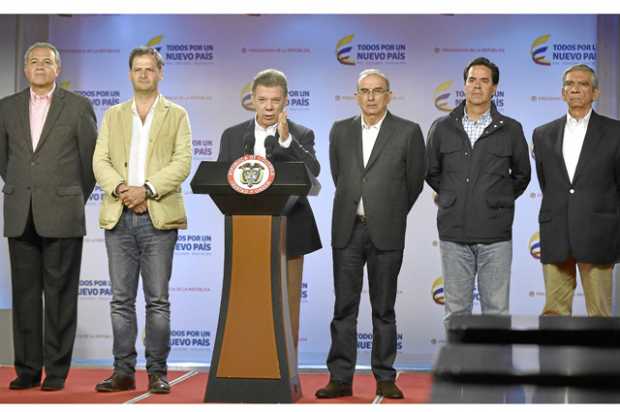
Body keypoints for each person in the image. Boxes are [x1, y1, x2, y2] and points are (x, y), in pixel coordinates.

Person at [316, 69, 425, 399]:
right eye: (365, 91)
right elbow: (339, 175)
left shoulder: (408, 131)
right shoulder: (340, 130)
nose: (371, 97)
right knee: (343, 309)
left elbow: (414, 182)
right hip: (347, 230)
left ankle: (385, 377)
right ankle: (340, 378)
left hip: (387, 230)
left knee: (384, 309)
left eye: (378, 90)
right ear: (356, 96)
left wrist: (388, 210)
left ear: (389, 95)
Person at [92, 46, 192, 394]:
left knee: (157, 300)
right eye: (138, 69)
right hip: (119, 216)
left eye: (150, 69)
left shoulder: (177, 114)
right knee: (121, 300)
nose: (144, 74)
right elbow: (100, 160)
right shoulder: (113, 115)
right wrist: (123, 189)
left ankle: (157, 372)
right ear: (130, 74)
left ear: (160, 73)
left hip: (157, 217)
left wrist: (146, 190)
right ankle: (122, 371)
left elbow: (182, 163)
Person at [0, 42, 98, 391]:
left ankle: (56, 371)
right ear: (25, 69)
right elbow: (4, 160)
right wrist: (26, 189)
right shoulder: (6, 107)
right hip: (20, 212)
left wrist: (67, 196)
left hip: (63, 212)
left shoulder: (78, 107)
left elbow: (90, 164)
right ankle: (27, 369)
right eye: (33, 61)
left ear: (58, 69)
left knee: (60, 296)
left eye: (47, 61)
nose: (40, 66)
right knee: (25, 295)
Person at [217, 68, 322, 351]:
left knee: (287, 305)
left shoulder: (301, 134)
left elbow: (312, 172)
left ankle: (286, 367)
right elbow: (221, 180)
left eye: (275, 100)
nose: (268, 107)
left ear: (286, 100)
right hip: (245, 232)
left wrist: (287, 141)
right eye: (262, 100)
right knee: (247, 305)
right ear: (252, 99)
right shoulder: (233, 135)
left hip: (291, 231)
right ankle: (247, 361)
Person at [426, 57, 531, 324]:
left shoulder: (511, 129)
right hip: (454, 234)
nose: (477, 86)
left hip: (495, 235)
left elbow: (522, 175)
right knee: (456, 313)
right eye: (472, 80)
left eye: (484, 81)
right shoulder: (442, 127)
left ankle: (493, 357)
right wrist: (451, 196)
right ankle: (458, 357)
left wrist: (496, 199)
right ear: (464, 85)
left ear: (494, 88)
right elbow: (431, 171)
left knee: (496, 313)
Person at [533, 64, 620, 317]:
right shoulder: (542, 134)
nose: (575, 89)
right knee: (554, 313)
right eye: (569, 84)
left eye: (583, 84)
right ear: (563, 93)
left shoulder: (615, 132)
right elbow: (547, 182)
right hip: (556, 230)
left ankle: (600, 349)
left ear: (595, 93)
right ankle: (554, 348)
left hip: (598, 232)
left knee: (600, 315)